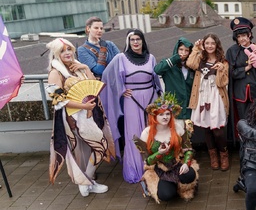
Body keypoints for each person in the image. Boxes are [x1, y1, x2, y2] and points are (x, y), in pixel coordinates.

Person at [46, 38, 115, 197]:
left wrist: (85, 67)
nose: (67, 53)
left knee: (92, 148)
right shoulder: (55, 73)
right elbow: (57, 99)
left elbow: (93, 86)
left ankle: (86, 181)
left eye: (69, 49)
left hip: (88, 114)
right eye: (63, 51)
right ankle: (86, 181)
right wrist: (83, 106)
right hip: (73, 117)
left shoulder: (77, 68)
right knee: (99, 145)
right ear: (56, 54)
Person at [101, 29, 162, 184]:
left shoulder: (151, 58)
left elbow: (155, 80)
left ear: (143, 41)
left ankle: (155, 167)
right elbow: (107, 75)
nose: (135, 42)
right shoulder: (121, 58)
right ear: (128, 42)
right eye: (132, 39)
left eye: (138, 39)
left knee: (153, 133)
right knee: (133, 134)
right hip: (132, 100)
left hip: (150, 99)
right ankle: (137, 168)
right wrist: (121, 90)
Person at [134, 94, 198, 203]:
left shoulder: (177, 128)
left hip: (177, 165)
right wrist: (159, 153)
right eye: (161, 114)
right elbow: (147, 161)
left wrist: (186, 164)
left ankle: (182, 184)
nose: (165, 117)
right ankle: (167, 185)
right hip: (160, 169)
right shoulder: (146, 133)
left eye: (168, 114)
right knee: (166, 195)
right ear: (155, 116)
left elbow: (189, 150)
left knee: (190, 175)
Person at [187, 34, 230, 170]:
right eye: (207, 43)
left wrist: (221, 70)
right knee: (206, 128)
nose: (210, 46)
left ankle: (224, 154)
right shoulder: (200, 58)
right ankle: (213, 156)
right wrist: (195, 48)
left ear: (217, 45)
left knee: (217, 130)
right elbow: (190, 64)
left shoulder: (223, 61)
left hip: (216, 96)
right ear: (204, 45)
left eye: (212, 43)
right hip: (202, 96)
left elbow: (222, 82)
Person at [226, 17, 256, 122]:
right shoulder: (232, 51)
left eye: (244, 35)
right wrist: (247, 67)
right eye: (238, 36)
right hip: (240, 93)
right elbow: (231, 73)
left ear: (249, 35)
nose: (241, 39)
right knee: (242, 121)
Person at [154, 37, 195, 120]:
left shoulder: (192, 67)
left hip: (189, 110)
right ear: (177, 49)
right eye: (181, 49)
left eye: (186, 50)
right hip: (173, 109)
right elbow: (157, 70)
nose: (183, 53)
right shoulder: (169, 65)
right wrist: (175, 59)